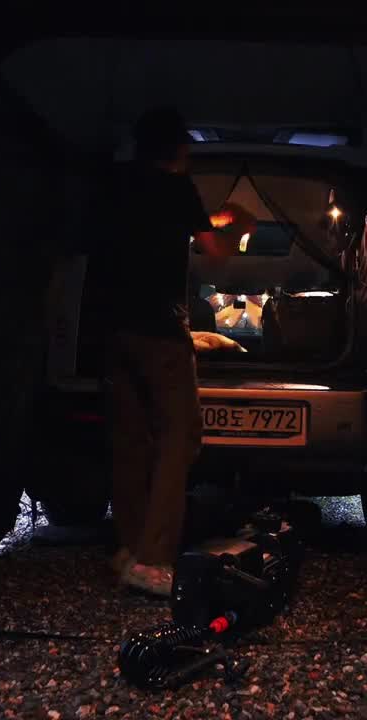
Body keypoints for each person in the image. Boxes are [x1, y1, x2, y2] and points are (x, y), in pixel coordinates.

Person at [102, 106, 254, 596]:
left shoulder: (118, 184)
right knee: (180, 438)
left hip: (114, 330)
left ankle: (127, 548)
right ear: (176, 150)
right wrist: (240, 228)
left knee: (130, 441)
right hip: (161, 332)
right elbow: (217, 253)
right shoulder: (176, 189)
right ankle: (153, 560)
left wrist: (211, 219)